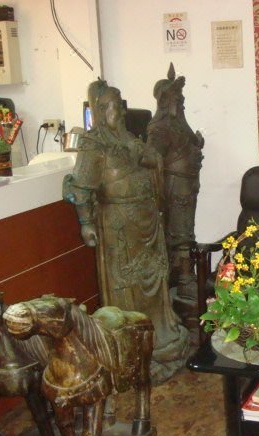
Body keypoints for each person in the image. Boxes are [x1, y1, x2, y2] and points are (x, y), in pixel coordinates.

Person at [63, 79, 188, 384]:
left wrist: (150, 158)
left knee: (155, 280)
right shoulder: (93, 144)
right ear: (100, 109)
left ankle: (161, 334)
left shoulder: (130, 139)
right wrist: (86, 223)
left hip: (147, 221)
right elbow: (81, 187)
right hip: (119, 225)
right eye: (114, 106)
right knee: (127, 286)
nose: (120, 111)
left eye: (121, 105)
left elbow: (151, 161)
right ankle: (133, 347)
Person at [147, 62, 204, 299]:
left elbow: (191, 143)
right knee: (180, 232)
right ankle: (183, 278)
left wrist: (197, 143)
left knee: (186, 229)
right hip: (175, 186)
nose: (181, 102)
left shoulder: (179, 124)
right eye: (177, 99)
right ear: (165, 101)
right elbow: (152, 156)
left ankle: (184, 275)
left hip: (188, 185)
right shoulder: (159, 128)